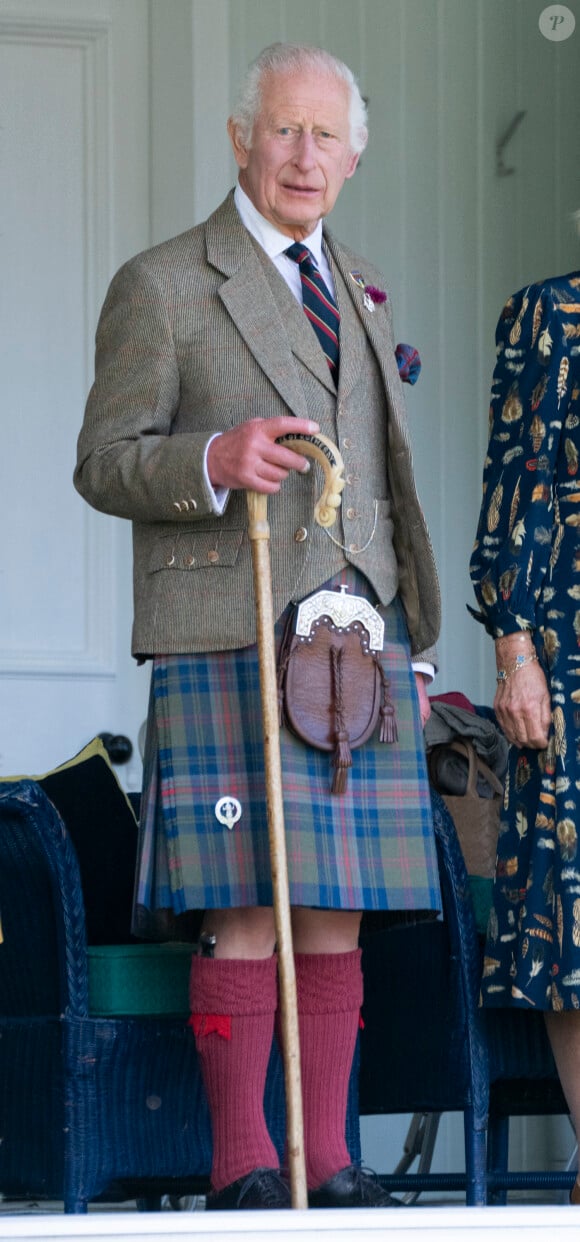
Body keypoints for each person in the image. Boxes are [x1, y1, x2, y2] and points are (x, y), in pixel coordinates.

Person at [75, 42, 441, 1212]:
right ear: (241, 139)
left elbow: (379, 471)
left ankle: (327, 1161)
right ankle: (242, 1162)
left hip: (354, 642)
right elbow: (102, 462)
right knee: (246, 907)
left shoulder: (362, 285)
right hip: (228, 632)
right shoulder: (166, 282)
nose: (302, 155)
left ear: (350, 157)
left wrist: (409, 634)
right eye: (283, 130)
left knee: (337, 912)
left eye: (325, 136)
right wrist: (211, 459)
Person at [470, 268, 580, 1202]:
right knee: (571, 913)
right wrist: (516, 648)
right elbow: (518, 484)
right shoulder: (551, 313)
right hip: (571, 652)